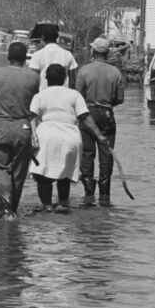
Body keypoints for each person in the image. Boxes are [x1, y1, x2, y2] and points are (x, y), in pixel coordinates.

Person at [30, 64, 108, 213]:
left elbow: (32, 117)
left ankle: (46, 206)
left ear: (46, 79)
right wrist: (99, 136)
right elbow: (85, 116)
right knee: (64, 175)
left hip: (47, 137)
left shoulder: (39, 95)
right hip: (70, 137)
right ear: (65, 78)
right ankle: (63, 205)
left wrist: (33, 135)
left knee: (42, 176)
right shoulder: (74, 95)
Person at [0, 42, 40, 220]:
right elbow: (37, 103)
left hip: (0, 129)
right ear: (25, 57)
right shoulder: (34, 77)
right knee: (19, 172)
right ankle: (13, 209)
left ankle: (4, 211)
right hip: (24, 129)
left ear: (8, 56)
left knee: (0, 169)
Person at [76, 37, 126, 207]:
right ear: (107, 53)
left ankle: (88, 193)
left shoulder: (84, 71)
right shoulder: (115, 73)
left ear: (93, 52)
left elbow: (77, 96)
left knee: (87, 153)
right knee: (106, 154)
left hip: (87, 113)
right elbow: (120, 99)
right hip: (107, 114)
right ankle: (105, 195)